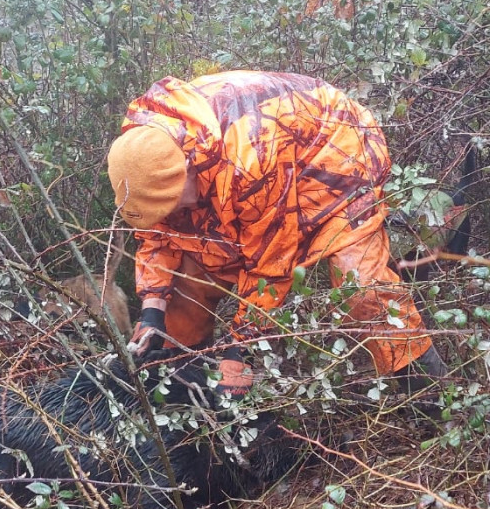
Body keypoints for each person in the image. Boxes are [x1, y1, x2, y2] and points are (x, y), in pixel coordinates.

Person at [107, 70, 446, 397]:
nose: (169, 217)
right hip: (253, 166)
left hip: (336, 152)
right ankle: (185, 387)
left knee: (360, 287)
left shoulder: (250, 159)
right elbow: (157, 234)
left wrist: (242, 349)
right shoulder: (144, 156)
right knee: (186, 284)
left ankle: (429, 392)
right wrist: (153, 308)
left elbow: (272, 261)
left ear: (187, 169)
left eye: (171, 207)